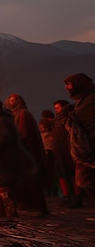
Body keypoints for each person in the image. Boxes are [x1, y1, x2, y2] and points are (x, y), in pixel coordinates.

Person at [0, 98, 37, 219]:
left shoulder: (0, 121)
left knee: (1, 182)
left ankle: (10, 212)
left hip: (3, 156)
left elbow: (6, 139)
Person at [4, 94, 48, 215]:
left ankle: (40, 208)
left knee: (32, 181)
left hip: (28, 153)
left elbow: (24, 134)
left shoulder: (23, 114)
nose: (11, 103)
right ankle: (30, 204)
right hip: (21, 153)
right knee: (24, 181)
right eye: (10, 101)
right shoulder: (14, 115)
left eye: (13, 101)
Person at [63, 73, 95, 203]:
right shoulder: (84, 101)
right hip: (87, 149)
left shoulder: (90, 101)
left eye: (68, 84)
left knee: (83, 179)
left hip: (90, 148)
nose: (66, 88)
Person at [52, 99, 82, 207]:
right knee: (63, 174)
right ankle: (67, 197)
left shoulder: (69, 117)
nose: (56, 110)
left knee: (72, 174)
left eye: (58, 108)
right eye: (55, 108)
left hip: (67, 150)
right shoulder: (57, 120)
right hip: (59, 150)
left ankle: (77, 197)